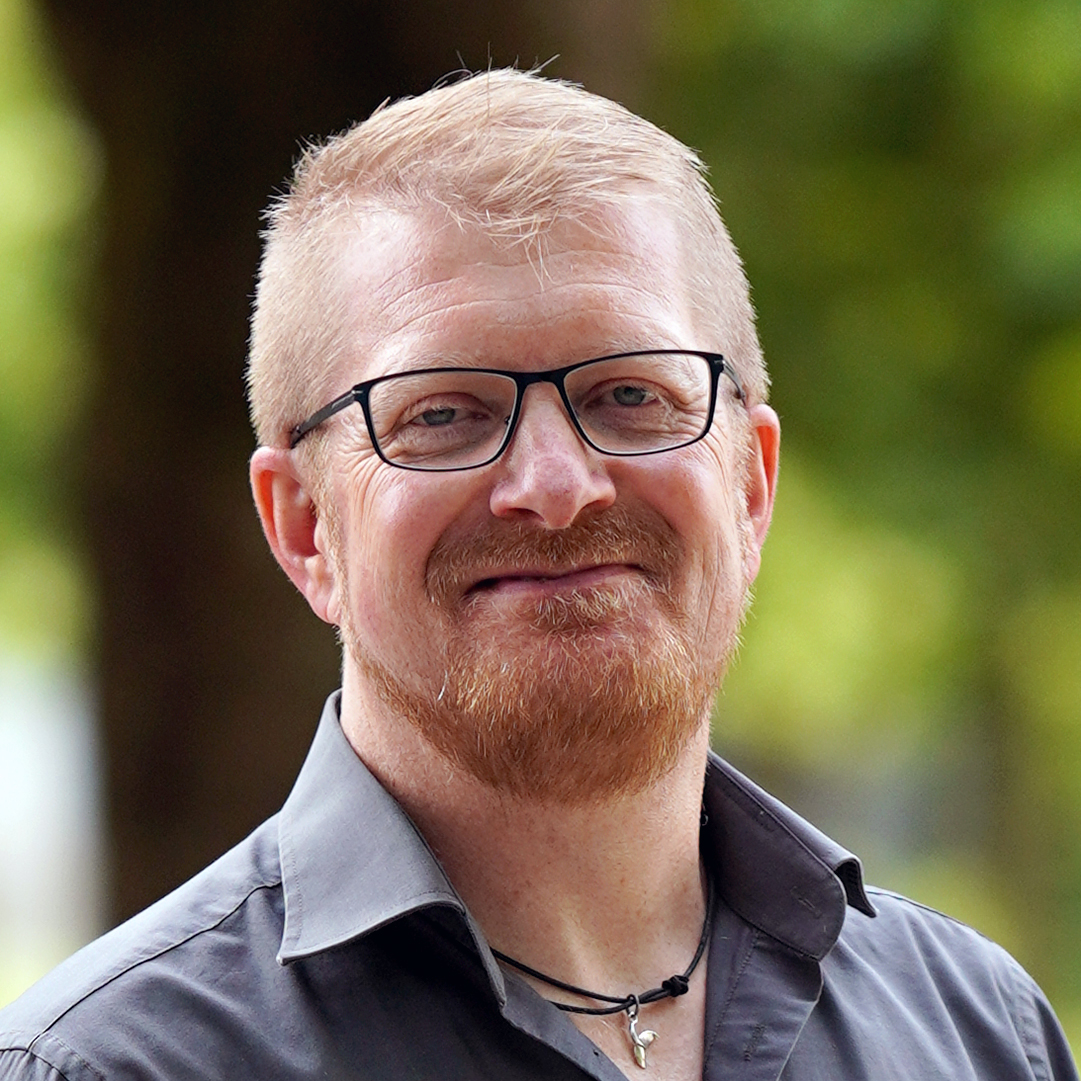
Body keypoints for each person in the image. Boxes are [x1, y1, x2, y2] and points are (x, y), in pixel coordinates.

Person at [0, 69, 1076, 1081]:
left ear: (749, 484)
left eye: (631, 395)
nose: (558, 487)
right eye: (443, 413)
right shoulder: (111, 1066)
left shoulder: (978, 1034)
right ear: (305, 525)